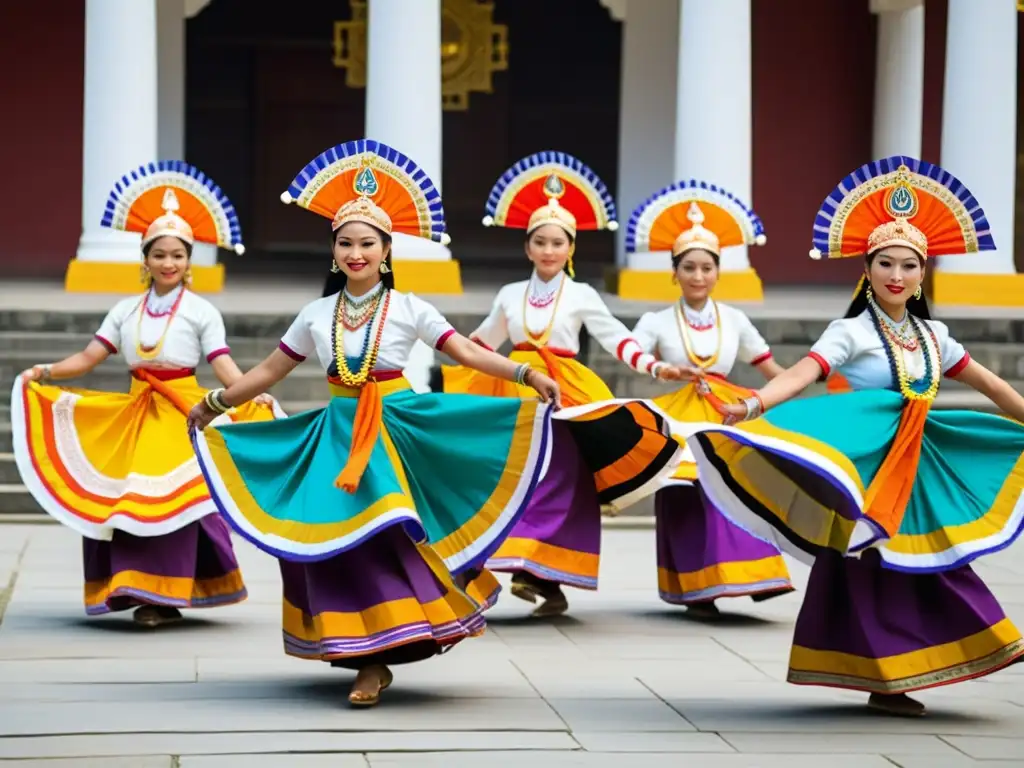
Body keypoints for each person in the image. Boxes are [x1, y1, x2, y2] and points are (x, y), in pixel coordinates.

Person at [187, 139, 564, 707]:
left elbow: (464, 351)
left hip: (398, 431)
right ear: (333, 252)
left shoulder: (411, 307)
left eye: (368, 243)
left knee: (390, 534)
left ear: (386, 251)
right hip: (336, 435)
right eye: (346, 243)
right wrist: (215, 402)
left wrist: (524, 373)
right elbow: (268, 370)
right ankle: (361, 653)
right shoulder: (316, 315)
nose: (356, 252)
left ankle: (383, 652)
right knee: (338, 541)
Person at [684, 156, 1024, 716]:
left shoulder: (935, 335)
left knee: (936, 556)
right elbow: (802, 373)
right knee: (872, 565)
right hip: (866, 465)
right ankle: (890, 680)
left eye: (909, 265)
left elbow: (990, 383)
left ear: (922, 275)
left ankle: (972, 646)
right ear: (867, 270)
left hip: (920, 462)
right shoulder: (852, 331)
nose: (896, 274)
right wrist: (751, 403)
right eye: (885, 263)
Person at [12, 161, 280, 627]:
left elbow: (223, 367)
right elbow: (89, 359)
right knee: (117, 498)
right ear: (145, 259)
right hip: (136, 411)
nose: (169, 263)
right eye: (159, 254)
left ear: (189, 259)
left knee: (169, 504)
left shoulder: (200, 312)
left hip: (183, 413)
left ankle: (163, 597)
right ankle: (127, 590)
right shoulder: (124, 310)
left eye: (178, 254)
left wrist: (248, 393)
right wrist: (44, 371)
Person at [442, 151, 689, 617]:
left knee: (558, 478)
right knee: (506, 474)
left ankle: (542, 574)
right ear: (528, 247)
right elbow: (480, 342)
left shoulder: (581, 295)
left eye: (558, 242)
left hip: (563, 391)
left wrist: (657, 368)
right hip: (513, 390)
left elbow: (617, 339)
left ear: (571, 248)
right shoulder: (509, 295)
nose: (549, 250)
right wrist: (438, 341)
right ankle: (500, 568)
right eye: (540, 241)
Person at [626, 180, 794, 617]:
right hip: (683, 411)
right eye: (689, 268)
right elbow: (633, 354)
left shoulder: (735, 319)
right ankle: (698, 589)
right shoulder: (657, 320)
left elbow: (770, 370)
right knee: (689, 494)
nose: (698, 276)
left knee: (742, 487)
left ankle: (753, 575)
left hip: (729, 410)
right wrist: (663, 368)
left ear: (718, 271)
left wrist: (806, 384)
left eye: (706, 268)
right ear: (674, 272)